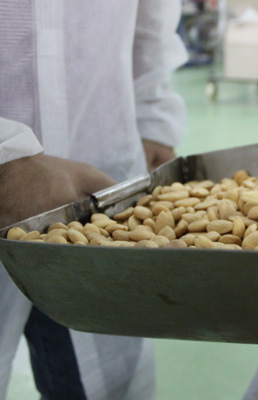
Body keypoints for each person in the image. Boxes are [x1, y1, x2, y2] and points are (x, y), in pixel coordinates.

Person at [0, 1, 188, 399]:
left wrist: (153, 115)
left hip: (103, 182)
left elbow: (150, 15)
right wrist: (5, 165)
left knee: (105, 378)